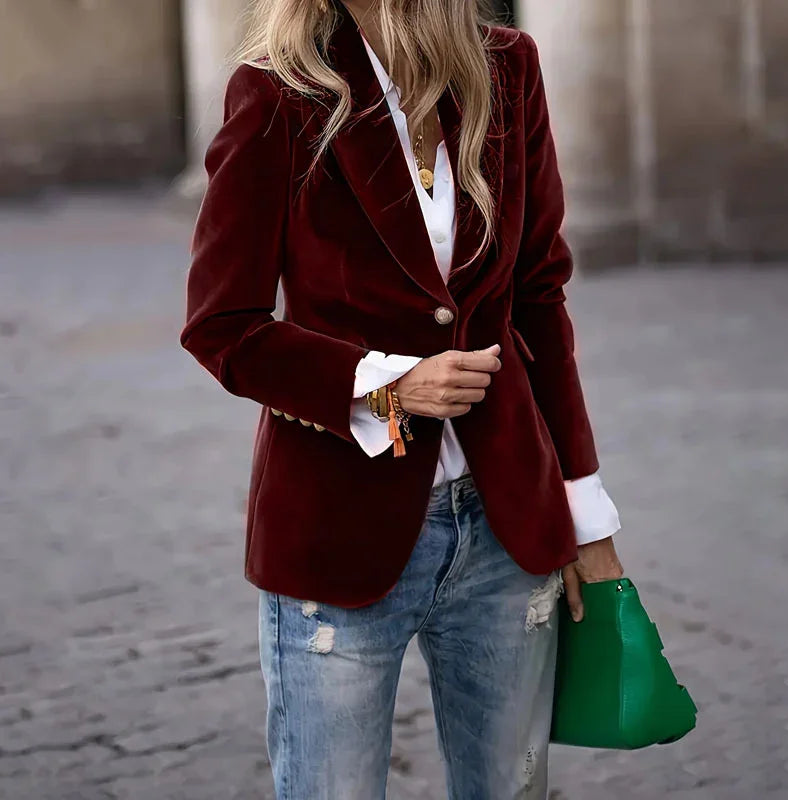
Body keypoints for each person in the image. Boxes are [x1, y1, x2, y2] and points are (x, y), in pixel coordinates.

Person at [180, 0, 625, 797]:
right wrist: (385, 384)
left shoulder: (508, 68)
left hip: (506, 527)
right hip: (337, 525)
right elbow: (224, 326)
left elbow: (539, 299)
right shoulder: (279, 90)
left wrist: (585, 520)